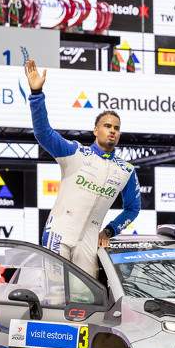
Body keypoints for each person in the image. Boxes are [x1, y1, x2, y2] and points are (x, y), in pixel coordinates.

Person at [24, 59, 141, 278]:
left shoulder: (126, 170)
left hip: (90, 239)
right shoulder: (75, 152)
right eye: (107, 126)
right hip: (59, 233)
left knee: (87, 294)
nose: (112, 131)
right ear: (95, 130)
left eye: (116, 128)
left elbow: (133, 209)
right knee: (56, 291)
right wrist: (36, 93)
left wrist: (110, 230)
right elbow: (43, 133)